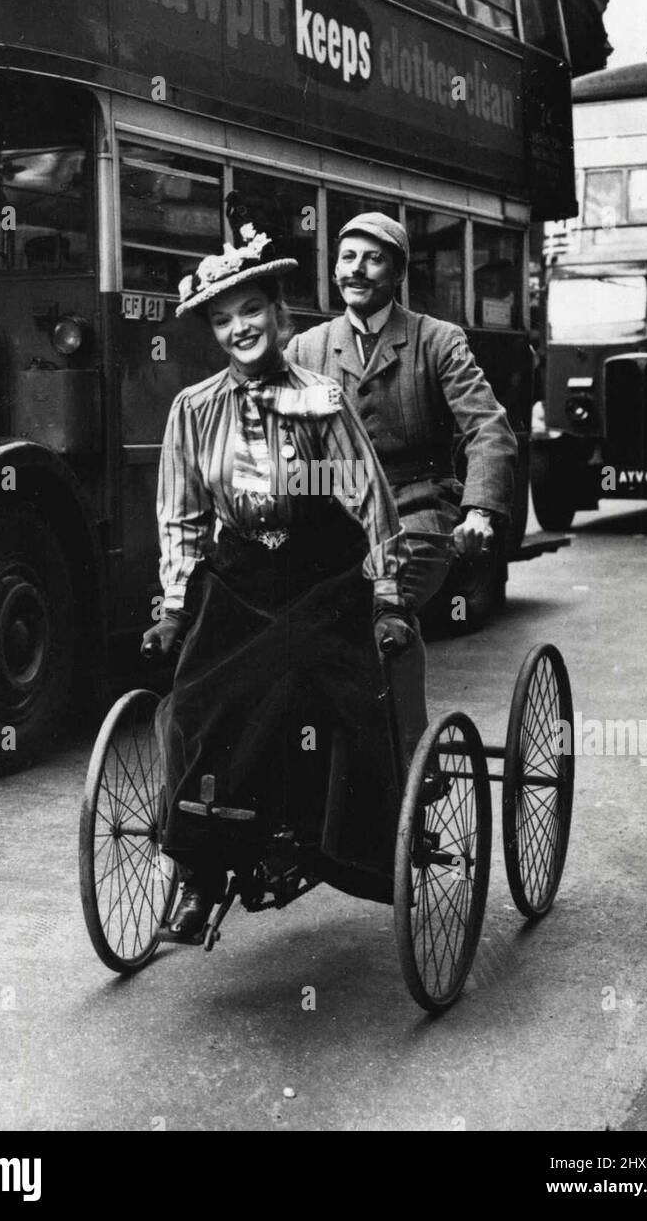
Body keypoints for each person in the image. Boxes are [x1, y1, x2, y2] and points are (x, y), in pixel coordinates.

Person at [141, 225, 414, 942]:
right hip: (236, 577)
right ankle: (200, 873)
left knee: (285, 689)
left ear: (277, 314)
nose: (240, 328)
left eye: (252, 310)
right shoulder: (193, 410)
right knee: (197, 700)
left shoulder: (320, 399)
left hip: (318, 576)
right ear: (211, 330)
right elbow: (182, 517)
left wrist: (386, 596)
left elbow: (368, 500)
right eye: (224, 319)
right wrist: (175, 605)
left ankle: (290, 841)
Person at [286, 212, 518, 758]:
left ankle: (408, 757)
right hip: (336, 518)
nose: (357, 270)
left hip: (419, 513)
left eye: (373, 259)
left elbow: (490, 429)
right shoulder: (306, 349)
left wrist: (479, 511)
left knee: (381, 613)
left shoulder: (438, 342)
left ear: (397, 273)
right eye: (347, 257)